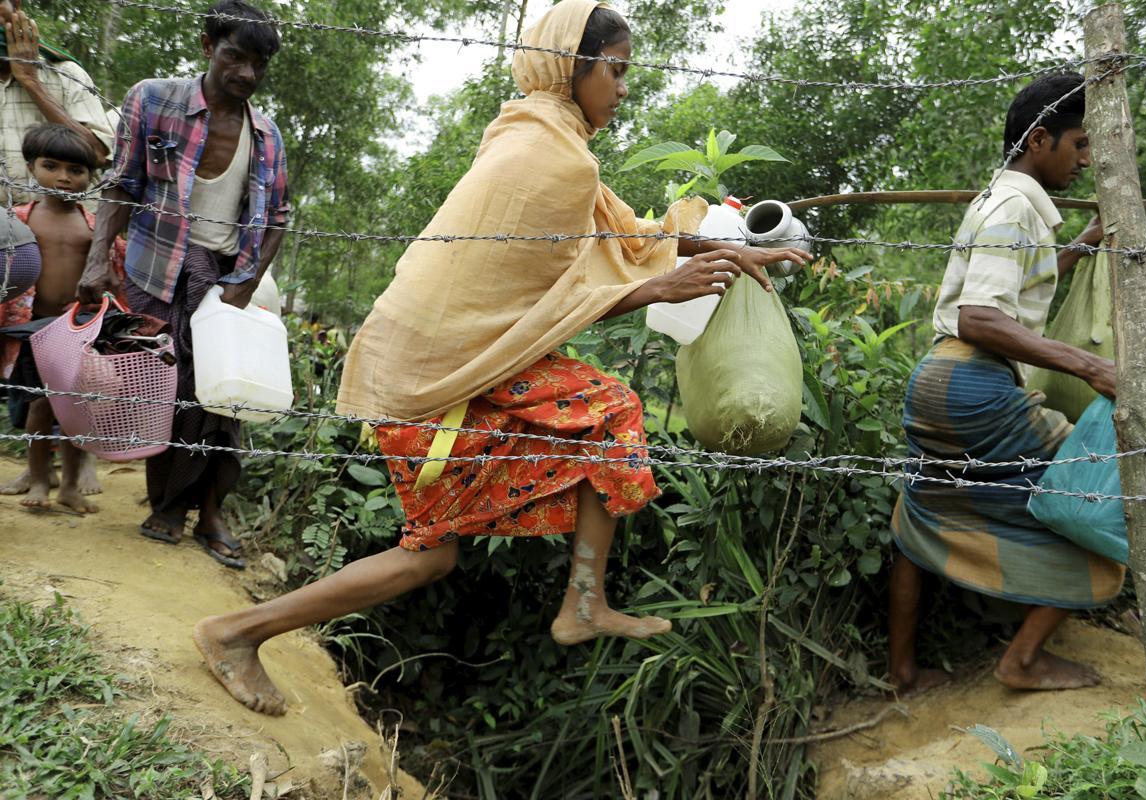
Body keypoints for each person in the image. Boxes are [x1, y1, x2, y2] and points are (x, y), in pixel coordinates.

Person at [190, 0, 810, 716]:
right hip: (433, 373)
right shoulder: (549, 155)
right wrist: (660, 287)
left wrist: (725, 244)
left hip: (446, 363)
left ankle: (584, 598)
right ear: (572, 66)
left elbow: (620, 237)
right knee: (584, 431)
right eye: (616, 70)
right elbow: (562, 291)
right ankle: (237, 632)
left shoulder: (542, 137)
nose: (624, 87)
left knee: (448, 541)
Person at [887, 72, 1146, 694]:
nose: (1087, 161)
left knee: (923, 505)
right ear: (1039, 139)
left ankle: (900, 672)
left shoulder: (1002, 201)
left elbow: (1012, 288)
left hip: (935, 383)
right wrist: (1092, 366)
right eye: (1080, 145)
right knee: (1117, 492)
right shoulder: (1013, 207)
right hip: (978, 388)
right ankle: (1025, 658)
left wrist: (1080, 248)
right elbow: (982, 318)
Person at [78, 0, 289, 568]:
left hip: (226, 282)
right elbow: (121, 185)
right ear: (207, 47)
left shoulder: (265, 135)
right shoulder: (153, 99)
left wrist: (245, 285)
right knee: (164, 394)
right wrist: (98, 261)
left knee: (224, 399)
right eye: (234, 56)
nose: (246, 73)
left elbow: (277, 220)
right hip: (155, 270)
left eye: (257, 64)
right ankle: (170, 505)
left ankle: (210, 514)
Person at [0, 123, 124, 512]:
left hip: (79, 331)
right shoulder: (17, 222)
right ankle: (39, 478)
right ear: (32, 167)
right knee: (38, 407)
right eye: (51, 166)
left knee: (77, 409)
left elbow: (114, 280)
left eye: (76, 170)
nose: (64, 178)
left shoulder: (94, 230)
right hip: (32, 331)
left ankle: (70, 483)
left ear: (91, 177)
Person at [0, 0, 112, 198]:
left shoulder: (65, 74)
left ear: (15, 6)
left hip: (66, 222)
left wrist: (31, 81)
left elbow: (97, 155)